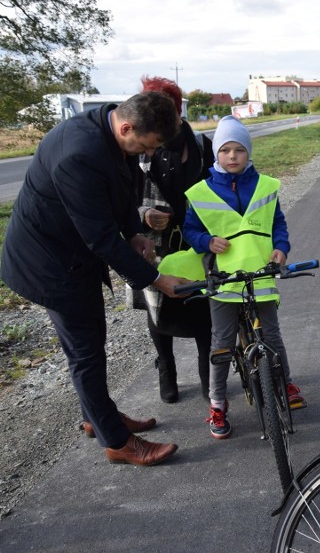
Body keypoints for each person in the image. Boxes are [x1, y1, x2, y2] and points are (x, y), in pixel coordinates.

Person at [0, 91, 187, 466]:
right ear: (127, 126)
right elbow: (99, 237)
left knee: (92, 344)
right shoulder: (79, 154)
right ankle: (117, 441)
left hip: (72, 253)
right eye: (144, 147)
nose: (144, 155)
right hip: (49, 263)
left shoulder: (111, 128)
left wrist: (135, 231)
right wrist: (156, 279)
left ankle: (96, 417)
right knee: (86, 352)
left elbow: (121, 188)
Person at [182, 115, 304, 440]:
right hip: (223, 282)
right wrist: (206, 242)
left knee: (273, 337)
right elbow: (190, 230)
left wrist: (281, 248)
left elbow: (278, 223)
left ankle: (284, 381)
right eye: (225, 150)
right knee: (221, 344)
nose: (232, 156)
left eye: (239, 150)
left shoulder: (265, 186)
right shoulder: (201, 192)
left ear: (248, 153)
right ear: (216, 155)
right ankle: (218, 404)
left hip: (260, 276)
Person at [130, 76, 214, 403]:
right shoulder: (137, 150)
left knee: (205, 302)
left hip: (198, 238)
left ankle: (209, 376)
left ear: (177, 113)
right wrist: (144, 215)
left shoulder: (203, 146)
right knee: (157, 306)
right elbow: (123, 197)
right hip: (153, 242)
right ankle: (166, 368)